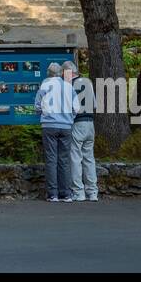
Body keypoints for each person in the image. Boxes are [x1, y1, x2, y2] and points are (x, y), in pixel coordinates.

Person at [35, 61, 74, 202]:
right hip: (66, 126)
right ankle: (66, 194)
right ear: (60, 73)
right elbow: (76, 107)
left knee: (51, 159)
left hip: (49, 125)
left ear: (48, 73)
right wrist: (69, 118)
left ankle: (53, 194)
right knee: (64, 160)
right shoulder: (69, 87)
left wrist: (46, 115)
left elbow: (37, 106)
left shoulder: (44, 85)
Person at [64, 59, 99, 202]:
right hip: (90, 124)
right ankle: (93, 192)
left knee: (75, 158)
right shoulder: (88, 82)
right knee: (89, 158)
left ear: (68, 73)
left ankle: (79, 192)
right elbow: (94, 105)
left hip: (77, 123)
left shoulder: (69, 85)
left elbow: (69, 108)